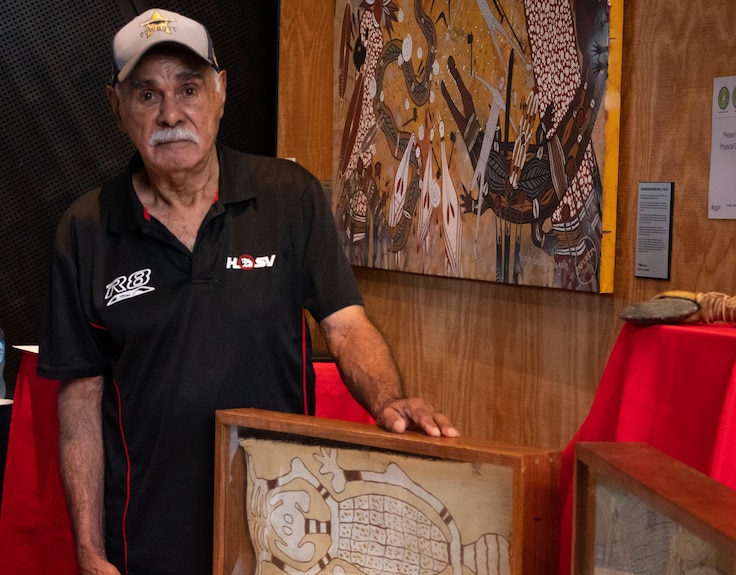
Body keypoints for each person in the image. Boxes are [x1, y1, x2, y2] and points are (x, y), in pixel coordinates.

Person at [37, 9, 459, 575]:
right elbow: (81, 403)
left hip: (287, 532)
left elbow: (346, 324)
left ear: (221, 90)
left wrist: (386, 401)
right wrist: (89, 550)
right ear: (116, 107)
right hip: (148, 538)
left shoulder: (290, 197)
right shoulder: (85, 229)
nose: (171, 114)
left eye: (189, 89)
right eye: (146, 95)